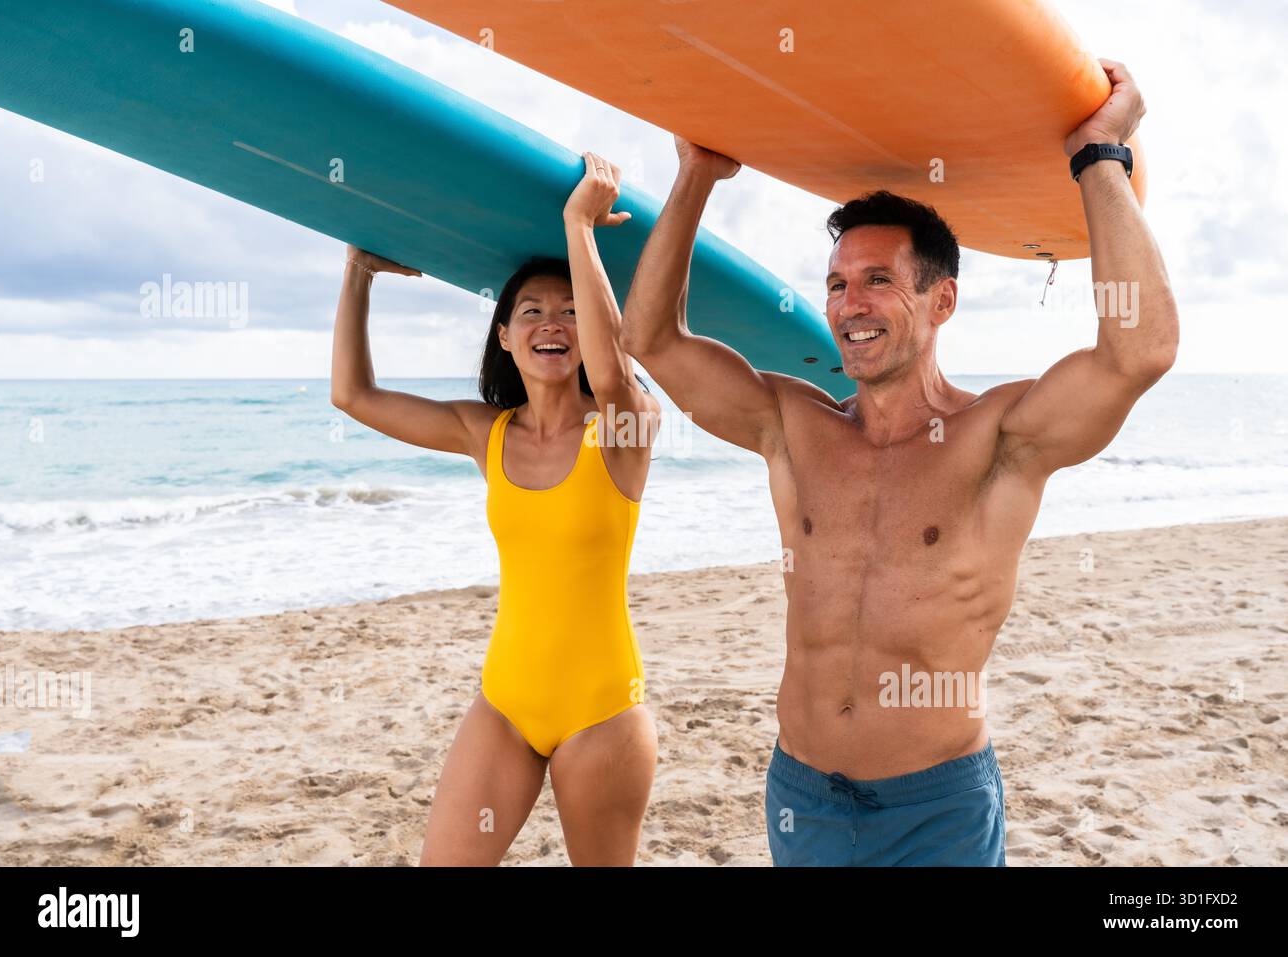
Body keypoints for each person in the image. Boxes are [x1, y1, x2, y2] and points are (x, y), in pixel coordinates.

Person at [622, 61, 1176, 865]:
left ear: (941, 300)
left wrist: (1098, 154)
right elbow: (653, 339)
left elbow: (1140, 349)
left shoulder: (1001, 438)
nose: (849, 305)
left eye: (878, 281)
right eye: (837, 284)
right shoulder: (793, 425)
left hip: (936, 810)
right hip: (802, 796)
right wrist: (697, 175)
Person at [331, 153, 661, 865]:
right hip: (505, 703)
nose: (553, 323)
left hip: (602, 713)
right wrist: (358, 271)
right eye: (532, 311)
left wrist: (581, 227)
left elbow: (612, 370)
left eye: (572, 311)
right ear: (505, 336)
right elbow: (353, 395)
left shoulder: (626, 430)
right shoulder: (486, 433)